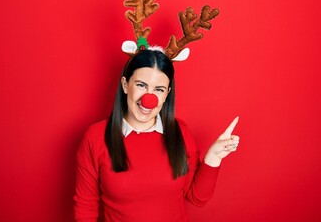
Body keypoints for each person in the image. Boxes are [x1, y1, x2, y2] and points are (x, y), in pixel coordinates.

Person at [73, 49, 240, 222]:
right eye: (141, 85)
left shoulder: (180, 133)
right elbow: (86, 206)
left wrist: (214, 157)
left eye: (159, 89)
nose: (148, 98)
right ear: (125, 85)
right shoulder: (96, 137)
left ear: (167, 94)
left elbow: (197, 198)